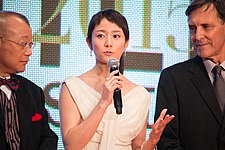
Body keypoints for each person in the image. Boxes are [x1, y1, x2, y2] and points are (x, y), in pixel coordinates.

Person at [59, 9, 174, 150]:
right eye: (100, 36)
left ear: (126, 43)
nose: (108, 43)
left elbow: (137, 146)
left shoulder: (140, 95)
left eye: (116, 36)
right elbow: (71, 145)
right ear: (89, 42)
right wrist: (103, 102)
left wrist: (151, 142)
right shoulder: (72, 87)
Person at [154, 0, 225, 149]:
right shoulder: (173, 79)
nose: (197, 36)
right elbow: (167, 142)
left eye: (206, 27)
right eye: (192, 28)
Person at [0, 11, 58, 150]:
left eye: (30, 44)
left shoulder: (33, 91)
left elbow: (48, 137)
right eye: (22, 43)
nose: (28, 52)